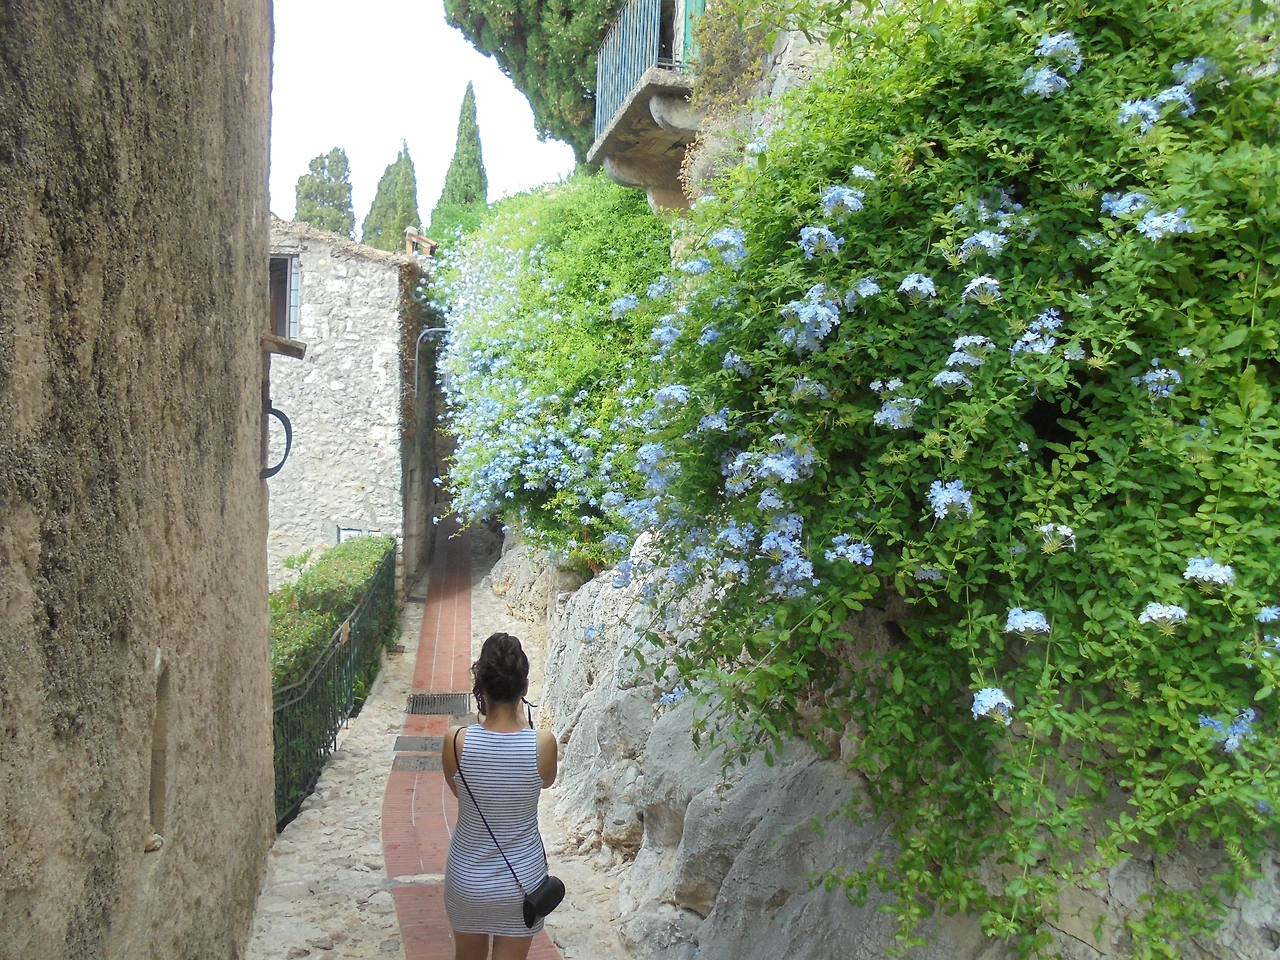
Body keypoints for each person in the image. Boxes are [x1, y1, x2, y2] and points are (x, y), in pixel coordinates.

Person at [442, 632, 559, 960]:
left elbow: (462, 795)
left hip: (466, 878)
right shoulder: (543, 744)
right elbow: (546, 781)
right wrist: (522, 722)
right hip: (521, 882)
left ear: (481, 688)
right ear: (524, 689)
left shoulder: (455, 741)